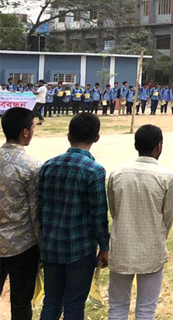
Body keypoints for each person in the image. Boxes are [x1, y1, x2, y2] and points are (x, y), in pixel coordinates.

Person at [38, 113, 109, 320]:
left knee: (51, 302)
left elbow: (40, 209)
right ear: (97, 137)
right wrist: (104, 247)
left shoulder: (48, 166)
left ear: (68, 136)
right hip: (80, 249)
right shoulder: (94, 170)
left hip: (51, 247)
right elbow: (98, 213)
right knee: (74, 305)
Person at [107, 125, 173, 320]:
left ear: (136, 145)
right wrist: (159, 236)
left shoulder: (117, 173)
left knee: (117, 307)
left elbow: (114, 211)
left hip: (122, 247)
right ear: (159, 146)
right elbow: (168, 217)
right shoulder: (166, 176)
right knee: (146, 309)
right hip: (152, 248)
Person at [0, 108, 40, 320]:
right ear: (25, 132)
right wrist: (41, 244)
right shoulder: (31, 166)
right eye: (33, 127)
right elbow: (35, 212)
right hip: (22, 246)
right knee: (21, 302)